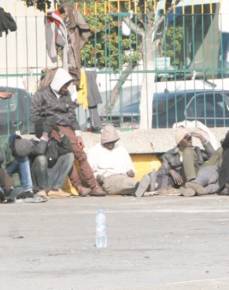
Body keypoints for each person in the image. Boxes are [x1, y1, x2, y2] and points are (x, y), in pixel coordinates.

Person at [30, 68, 105, 196]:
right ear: (58, 82)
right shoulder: (41, 94)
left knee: (79, 154)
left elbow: (72, 116)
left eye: (68, 85)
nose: (66, 88)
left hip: (66, 127)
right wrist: (49, 125)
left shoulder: (66, 96)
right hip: (49, 127)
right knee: (69, 153)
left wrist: (78, 134)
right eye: (65, 85)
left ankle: (92, 186)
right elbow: (34, 116)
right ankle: (80, 187)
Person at [86, 125, 152, 196]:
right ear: (103, 141)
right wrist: (97, 177)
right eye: (109, 142)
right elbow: (88, 173)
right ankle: (144, 186)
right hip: (107, 180)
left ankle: (141, 186)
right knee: (124, 182)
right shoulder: (94, 151)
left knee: (126, 181)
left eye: (113, 141)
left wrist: (131, 171)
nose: (111, 143)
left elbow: (130, 166)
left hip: (124, 176)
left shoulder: (121, 149)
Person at [158, 127, 221, 195]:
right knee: (187, 151)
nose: (190, 140)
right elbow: (160, 172)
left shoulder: (197, 150)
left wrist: (201, 138)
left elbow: (213, 156)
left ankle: (192, 188)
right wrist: (171, 171)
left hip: (200, 174)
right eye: (187, 138)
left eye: (190, 138)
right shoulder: (169, 155)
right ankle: (192, 183)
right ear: (180, 142)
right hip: (186, 178)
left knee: (221, 150)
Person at [31, 119, 76, 198]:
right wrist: (44, 135)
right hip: (38, 182)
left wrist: (59, 131)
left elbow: (68, 149)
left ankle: (56, 189)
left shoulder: (52, 143)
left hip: (50, 177)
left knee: (69, 156)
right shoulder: (32, 143)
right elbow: (40, 151)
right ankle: (42, 190)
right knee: (41, 158)